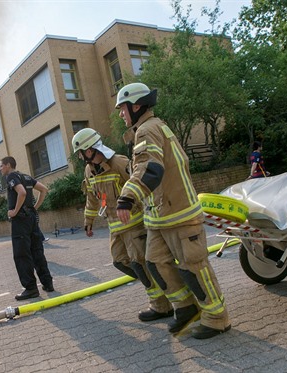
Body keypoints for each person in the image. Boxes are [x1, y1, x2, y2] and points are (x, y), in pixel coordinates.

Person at [115, 82, 230, 339]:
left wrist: (126, 198)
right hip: (159, 218)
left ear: (136, 106)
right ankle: (185, 308)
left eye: (122, 109)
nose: (121, 114)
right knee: (155, 264)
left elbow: (149, 168)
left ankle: (217, 318)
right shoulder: (150, 128)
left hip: (179, 215)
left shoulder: (147, 130)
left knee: (194, 266)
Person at [72, 128, 173, 322]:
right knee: (120, 261)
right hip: (115, 228)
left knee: (140, 264)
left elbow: (141, 186)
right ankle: (162, 286)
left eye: (81, 152)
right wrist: (88, 221)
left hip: (134, 225)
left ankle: (161, 306)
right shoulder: (89, 170)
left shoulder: (120, 163)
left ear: (90, 148)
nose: (80, 157)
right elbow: (92, 198)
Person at [0, 156, 54, 300]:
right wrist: (35, 208)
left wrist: (14, 211)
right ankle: (47, 283)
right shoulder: (26, 176)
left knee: (22, 254)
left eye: (1, 166)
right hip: (31, 219)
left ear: (8, 165)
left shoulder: (12, 176)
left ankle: (30, 289)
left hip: (21, 221)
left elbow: (22, 192)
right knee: (37, 251)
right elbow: (44, 190)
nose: (0, 169)